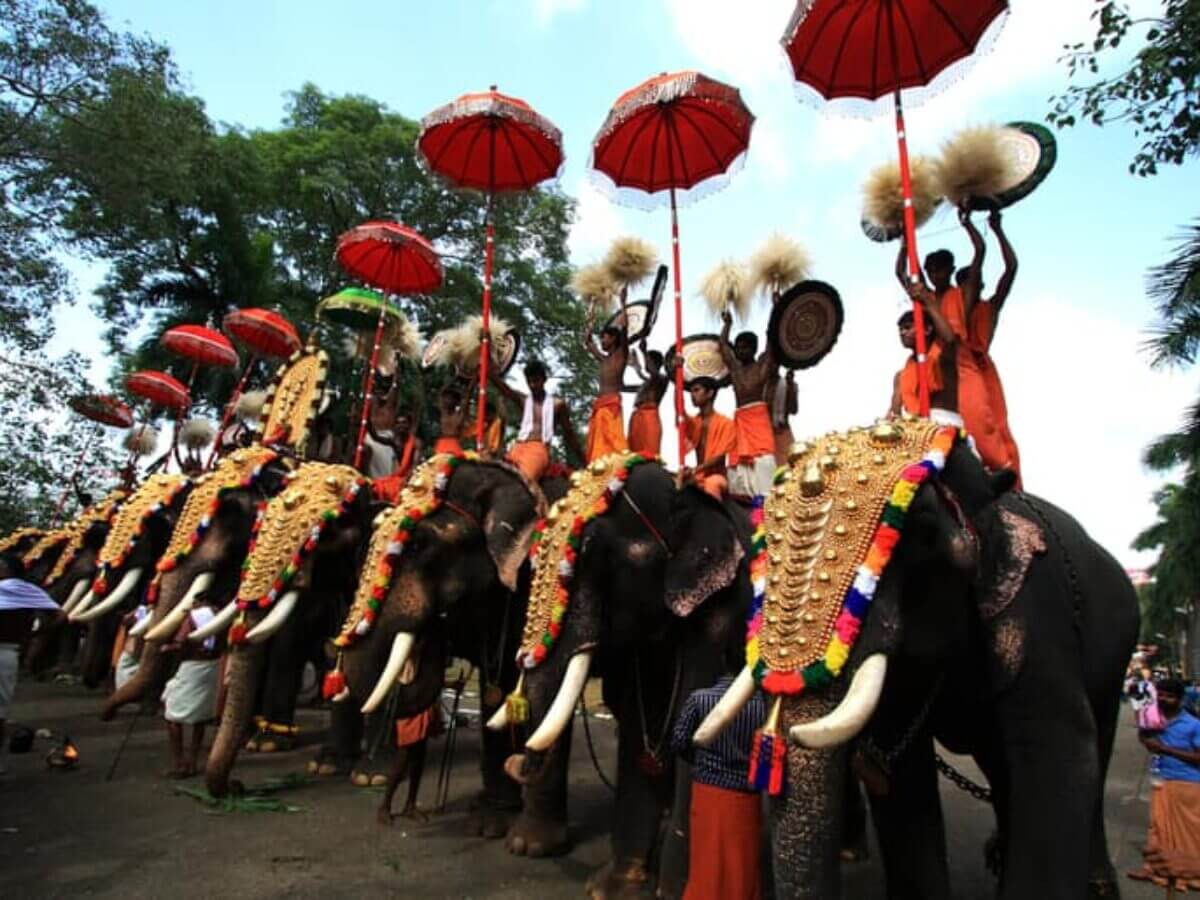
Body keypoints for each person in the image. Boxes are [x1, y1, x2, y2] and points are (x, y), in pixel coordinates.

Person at [895, 218, 1018, 476]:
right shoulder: (926, 298)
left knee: (980, 424)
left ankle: (996, 474)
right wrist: (906, 240)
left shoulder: (963, 296)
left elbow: (985, 256)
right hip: (934, 360)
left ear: (950, 270)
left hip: (962, 362)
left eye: (940, 268)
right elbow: (905, 273)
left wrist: (977, 225)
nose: (934, 274)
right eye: (930, 269)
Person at [672, 673, 767, 900]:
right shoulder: (764, 705)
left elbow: (679, 740)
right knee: (742, 861)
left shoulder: (700, 699)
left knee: (706, 857)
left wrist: (700, 761)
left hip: (707, 789)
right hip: (747, 793)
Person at [958, 206, 1023, 484]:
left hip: (980, 370)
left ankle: (1005, 477)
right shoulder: (950, 307)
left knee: (993, 426)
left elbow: (1010, 269)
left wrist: (996, 229)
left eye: (974, 283)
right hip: (957, 369)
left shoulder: (989, 307)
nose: (970, 288)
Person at [1128, 678, 1200, 889]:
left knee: (1188, 832)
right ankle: (1154, 868)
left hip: (1187, 783)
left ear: (1179, 699)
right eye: (1160, 694)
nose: (1163, 699)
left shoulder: (1193, 725)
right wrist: (1145, 737)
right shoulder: (1154, 719)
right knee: (1158, 828)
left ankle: (1189, 873)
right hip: (1162, 779)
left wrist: (1165, 749)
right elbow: (1149, 743)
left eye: (1169, 696)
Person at [0, 553, 60, 774]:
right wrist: (35, 634)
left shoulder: (14, 589)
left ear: (5, 568)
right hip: (8, 652)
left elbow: (58, 616)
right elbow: (58, 616)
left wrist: (35, 635)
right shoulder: (29, 591)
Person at [377, 644, 444, 827]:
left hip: (426, 702)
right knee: (403, 757)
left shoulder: (430, 652)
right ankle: (385, 805)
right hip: (409, 703)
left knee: (419, 758)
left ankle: (411, 804)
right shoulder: (404, 650)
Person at [159, 597, 223, 779]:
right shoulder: (219, 616)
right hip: (211, 668)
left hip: (191, 669)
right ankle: (193, 762)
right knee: (199, 717)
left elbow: (182, 643)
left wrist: (167, 648)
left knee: (172, 715)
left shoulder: (193, 617)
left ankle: (180, 763)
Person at [490, 360, 584, 482]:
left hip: (539, 449)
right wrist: (486, 365)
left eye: (536, 381)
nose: (533, 385)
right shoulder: (523, 400)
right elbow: (503, 387)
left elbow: (569, 435)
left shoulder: (558, 405)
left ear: (544, 379)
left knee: (523, 481)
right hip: (517, 446)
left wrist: (584, 460)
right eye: (529, 382)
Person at [719, 311, 778, 499]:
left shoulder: (763, 364)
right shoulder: (735, 369)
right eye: (738, 347)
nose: (740, 351)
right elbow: (722, 346)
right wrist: (727, 324)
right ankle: (745, 517)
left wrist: (777, 308)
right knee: (739, 475)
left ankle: (765, 513)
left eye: (745, 347)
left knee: (764, 468)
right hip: (741, 424)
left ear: (754, 349)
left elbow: (772, 340)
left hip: (758, 421)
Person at [889, 287, 961, 423]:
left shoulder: (943, 358)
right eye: (901, 329)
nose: (903, 333)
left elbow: (950, 340)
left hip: (946, 428)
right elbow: (894, 414)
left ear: (927, 329)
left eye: (908, 327)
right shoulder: (901, 376)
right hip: (915, 432)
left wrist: (928, 302)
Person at [677, 372, 736, 500]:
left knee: (712, 484)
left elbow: (719, 458)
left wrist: (695, 470)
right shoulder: (695, 422)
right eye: (691, 391)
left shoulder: (726, 423)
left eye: (697, 390)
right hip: (697, 475)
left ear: (710, 393)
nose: (692, 395)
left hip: (717, 477)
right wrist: (677, 382)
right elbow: (679, 411)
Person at [582, 312, 629, 462]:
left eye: (604, 337)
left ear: (614, 339)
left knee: (614, 444)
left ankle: (618, 471)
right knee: (597, 446)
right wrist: (588, 326)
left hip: (611, 406)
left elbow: (625, 332)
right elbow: (588, 344)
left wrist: (623, 304)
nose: (601, 341)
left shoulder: (621, 355)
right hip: (600, 405)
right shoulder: (604, 359)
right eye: (601, 338)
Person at [626, 346, 668, 458]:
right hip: (637, 418)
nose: (646, 363)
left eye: (648, 360)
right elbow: (622, 387)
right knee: (632, 454)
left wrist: (643, 351)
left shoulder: (662, 379)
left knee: (649, 454)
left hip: (649, 417)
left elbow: (652, 372)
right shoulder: (646, 384)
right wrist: (633, 365)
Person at [766, 366, 798, 467]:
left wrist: (790, 387)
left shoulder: (787, 384)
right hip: (764, 435)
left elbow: (793, 410)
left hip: (782, 432)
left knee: (791, 467)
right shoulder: (759, 385)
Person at [435, 386, 466, 456]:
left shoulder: (459, 414)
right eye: (447, 398)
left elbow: (466, 399)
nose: (448, 400)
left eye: (451, 398)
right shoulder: (443, 412)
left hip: (454, 444)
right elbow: (441, 393)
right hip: (442, 444)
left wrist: (471, 383)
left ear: (456, 401)